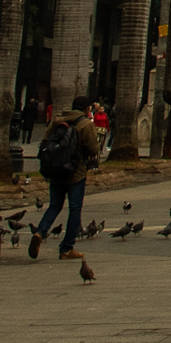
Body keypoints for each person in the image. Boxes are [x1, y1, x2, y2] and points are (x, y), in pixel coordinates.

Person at [27, 94, 98, 261]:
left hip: (56, 172)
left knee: (54, 206)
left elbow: (45, 142)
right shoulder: (84, 124)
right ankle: (66, 248)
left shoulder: (57, 120)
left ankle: (40, 232)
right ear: (87, 109)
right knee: (74, 209)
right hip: (75, 173)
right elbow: (93, 148)